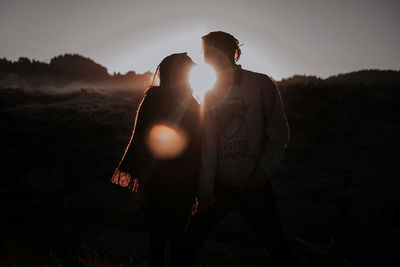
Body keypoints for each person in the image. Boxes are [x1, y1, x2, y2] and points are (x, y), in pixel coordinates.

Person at [186, 31, 298, 267]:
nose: (206, 58)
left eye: (211, 51)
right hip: (219, 187)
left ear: (232, 52)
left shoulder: (261, 85)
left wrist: (261, 174)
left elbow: (279, 134)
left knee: (277, 246)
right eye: (204, 53)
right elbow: (208, 147)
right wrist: (205, 191)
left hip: (254, 185)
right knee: (189, 245)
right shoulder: (208, 92)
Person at [111, 53, 203, 267]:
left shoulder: (193, 102)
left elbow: (199, 144)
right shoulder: (155, 100)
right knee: (162, 240)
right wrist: (143, 184)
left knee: (173, 239)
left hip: (183, 184)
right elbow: (144, 141)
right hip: (159, 183)